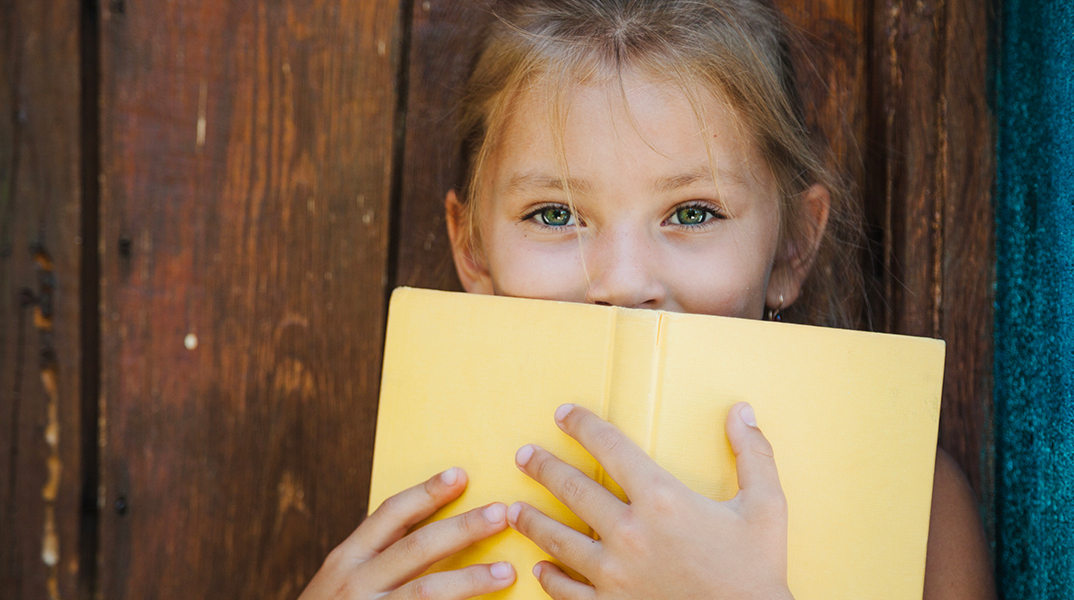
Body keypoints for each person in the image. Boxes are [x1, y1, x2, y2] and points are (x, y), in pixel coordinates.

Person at [300, 0, 996, 598]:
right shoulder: (430, 505)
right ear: (474, 251)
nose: (625, 281)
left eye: (693, 213)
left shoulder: (913, 505)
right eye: (553, 213)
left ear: (791, 247)